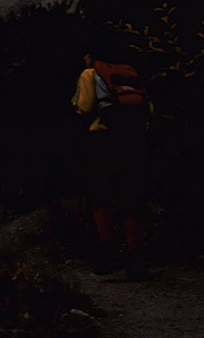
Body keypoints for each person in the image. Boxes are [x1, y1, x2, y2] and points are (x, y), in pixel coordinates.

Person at [72, 52, 151, 281]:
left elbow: (84, 107)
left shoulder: (90, 73)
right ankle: (136, 258)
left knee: (100, 194)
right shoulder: (128, 72)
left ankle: (109, 252)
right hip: (133, 139)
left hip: (103, 140)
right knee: (130, 195)